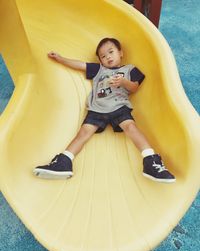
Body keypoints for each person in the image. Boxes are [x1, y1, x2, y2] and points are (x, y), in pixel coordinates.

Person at [33, 37, 175, 183]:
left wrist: (123, 81)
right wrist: (61, 59)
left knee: (131, 127)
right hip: (97, 110)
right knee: (83, 132)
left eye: (111, 52)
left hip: (119, 107)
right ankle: (64, 162)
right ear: (100, 60)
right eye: (103, 56)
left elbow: (134, 87)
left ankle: (150, 161)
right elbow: (79, 65)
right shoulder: (99, 69)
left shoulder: (129, 69)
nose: (108, 57)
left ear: (121, 53)